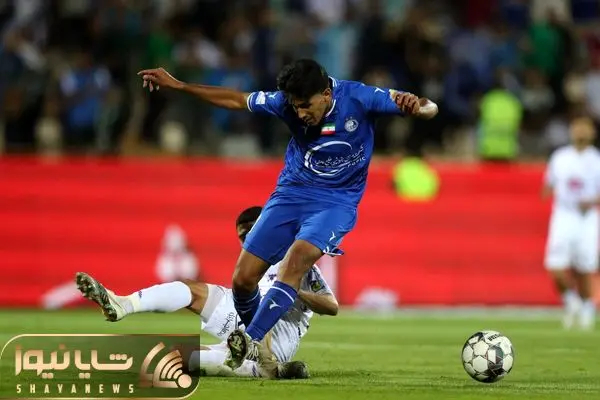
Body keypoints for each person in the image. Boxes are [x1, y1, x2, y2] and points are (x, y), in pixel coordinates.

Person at [137, 58, 438, 370]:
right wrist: (180, 86)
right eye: (295, 106)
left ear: (326, 94)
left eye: (306, 105)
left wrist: (417, 107)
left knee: (296, 260)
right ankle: (263, 355)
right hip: (292, 193)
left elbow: (430, 107)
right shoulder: (284, 103)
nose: (301, 113)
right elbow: (237, 99)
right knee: (243, 279)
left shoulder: (360, 97)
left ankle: (249, 339)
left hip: (336, 202)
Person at [75, 206, 338, 379]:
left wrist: (292, 291)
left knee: (175, 358)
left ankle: (261, 364)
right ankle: (124, 304)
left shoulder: (295, 261)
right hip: (243, 321)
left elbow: (331, 306)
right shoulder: (249, 264)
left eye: (253, 231)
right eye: (243, 235)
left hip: (278, 337)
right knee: (191, 289)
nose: (248, 238)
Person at [543, 116, 600, 330]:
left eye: (585, 128)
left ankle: (587, 306)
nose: (581, 132)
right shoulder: (560, 157)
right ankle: (570, 299)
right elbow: (548, 184)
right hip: (563, 216)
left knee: (584, 268)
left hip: (586, 218)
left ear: (592, 133)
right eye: (577, 127)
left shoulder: (596, 160)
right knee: (554, 265)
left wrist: (592, 201)